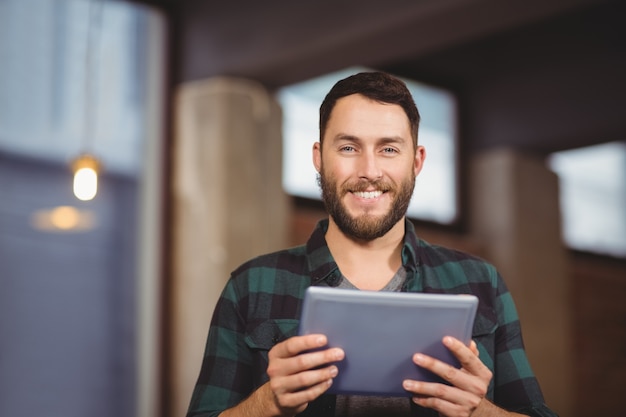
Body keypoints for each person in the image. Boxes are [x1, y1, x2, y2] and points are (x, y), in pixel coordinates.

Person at [186, 71, 558, 417]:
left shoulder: (482, 282)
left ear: (417, 161)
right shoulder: (251, 285)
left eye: (389, 149)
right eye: (348, 148)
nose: (369, 171)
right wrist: (268, 401)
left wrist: (480, 411)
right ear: (319, 158)